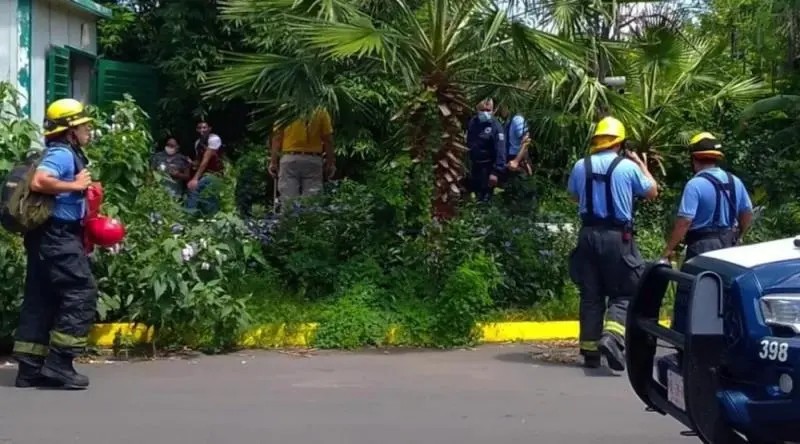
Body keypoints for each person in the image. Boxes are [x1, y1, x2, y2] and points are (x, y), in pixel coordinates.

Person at [12, 98, 97, 389]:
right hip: (58, 236)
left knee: (41, 298)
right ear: (70, 130)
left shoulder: (59, 152)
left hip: (43, 237)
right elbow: (40, 181)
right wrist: (75, 186)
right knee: (81, 293)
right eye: (84, 126)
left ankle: (29, 369)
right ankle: (60, 364)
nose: (89, 131)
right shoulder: (62, 155)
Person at [566, 116, 658, 371]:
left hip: (587, 235)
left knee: (591, 295)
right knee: (626, 291)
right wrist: (641, 165)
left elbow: (574, 197)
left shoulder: (579, 166)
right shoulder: (627, 168)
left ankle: (590, 350)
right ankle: (613, 337)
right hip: (618, 237)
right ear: (620, 142)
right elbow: (652, 191)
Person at [659, 132, 753, 262]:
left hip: (702, 246)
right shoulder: (735, 181)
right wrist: (740, 235)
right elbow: (747, 213)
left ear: (693, 159)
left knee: (698, 281)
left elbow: (685, 222)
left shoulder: (694, 184)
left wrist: (669, 249)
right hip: (729, 245)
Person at [269, 107, 336, 208]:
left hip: (289, 158)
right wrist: (330, 163)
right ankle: (309, 221)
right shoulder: (320, 110)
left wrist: (273, 162)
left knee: (289, 202)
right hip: (313, 160)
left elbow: (277, 138)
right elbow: (328, 140)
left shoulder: (285, 109)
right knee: (312, 203)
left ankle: (290, 221)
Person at [465, 99, 506, 202]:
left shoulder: (496, 127)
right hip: (474, 167)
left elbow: (501, 151)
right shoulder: (473, 123)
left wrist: (496, 172)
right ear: (477, 109)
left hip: (488, 169)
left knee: (485, 198)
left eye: (488, 110)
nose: (485, 113)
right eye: (483, 110)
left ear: (493, 111)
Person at [496, 104, 535, 212]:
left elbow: (526, 141)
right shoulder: (507, 122)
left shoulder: (517, 119)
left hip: (517, 161)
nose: (499, 110)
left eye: (501, 106)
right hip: (509, 161)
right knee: (510, 197)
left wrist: (517, 161)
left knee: (521, 195)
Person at [187, 121, 223, 214]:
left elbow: (206, 159)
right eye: (199, 128)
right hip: (204, 174)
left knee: (194, 188)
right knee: (209, 196)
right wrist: (192, 163)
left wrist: (195, 179)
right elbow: (199, 162)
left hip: (215, 174)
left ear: (209, 129)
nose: (202, 130)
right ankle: (210, 216)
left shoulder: (214, 139)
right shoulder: (197, 143)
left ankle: (189, 215)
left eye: (204, 127)